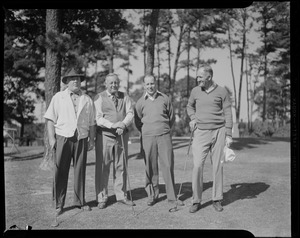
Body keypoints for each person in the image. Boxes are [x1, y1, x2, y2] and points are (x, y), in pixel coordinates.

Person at [44, 68, 96, 216]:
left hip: (81, 138)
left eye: (78, 79)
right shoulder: (58, 97)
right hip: (63, 137)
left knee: (80, 171)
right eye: (72, 79)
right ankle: (58, 204)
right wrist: (52, 139)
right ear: (66, 82)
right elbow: (49, 119)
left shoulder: (87, 99)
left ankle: (80, 201)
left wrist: (91, 139)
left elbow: (92, 122)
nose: (75, 81)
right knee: (60, 171)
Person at [187, 64, 233, 213]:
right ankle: (196, 200)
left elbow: (228, 112)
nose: (197, 78)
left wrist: (229, 133)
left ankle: (217, 199)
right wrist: (192, 118)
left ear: (209, 77)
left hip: (219, 131)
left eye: (200, 76)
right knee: (198, 166)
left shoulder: (222, 91)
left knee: (217, 166)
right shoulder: (195, 91)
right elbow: (189, 106)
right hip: (200, 132)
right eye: (197, 76)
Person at [134, 75, 182, 208]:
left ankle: (172, 197)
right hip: (148, 137)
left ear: (156, 84)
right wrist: (147, 130)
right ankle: (152, 195)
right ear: (144, 86)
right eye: (147, 84)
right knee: (150, 167)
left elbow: (171, 117)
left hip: (164, 136)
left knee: (168, 165)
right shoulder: (140, 102)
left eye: (152, 83)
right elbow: (138, 122)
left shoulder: (165, 98)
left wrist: (164, 128)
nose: (150, 86)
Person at [94, 73, 135, 209]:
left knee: (120, 165)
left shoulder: (125, 97)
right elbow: (98, 118)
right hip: (105, 135)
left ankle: (121, 195)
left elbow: (130, 113)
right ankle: (102, 197)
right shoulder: (99, 97)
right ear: (106, 84)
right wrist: (113, 125)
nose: (113, 85)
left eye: (116, 83)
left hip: (121, 135)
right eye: (111, 83)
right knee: (103, 166)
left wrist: (122, 124)